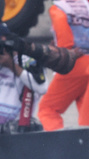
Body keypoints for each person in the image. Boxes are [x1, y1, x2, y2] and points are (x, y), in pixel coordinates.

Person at [38, 0, 89, 129]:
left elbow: (65, 40)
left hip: (74, 64)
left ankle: (58, 147)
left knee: (48, 109)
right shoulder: (85, 4)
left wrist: (62, 51)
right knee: (85, 114)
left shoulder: (59, 8)